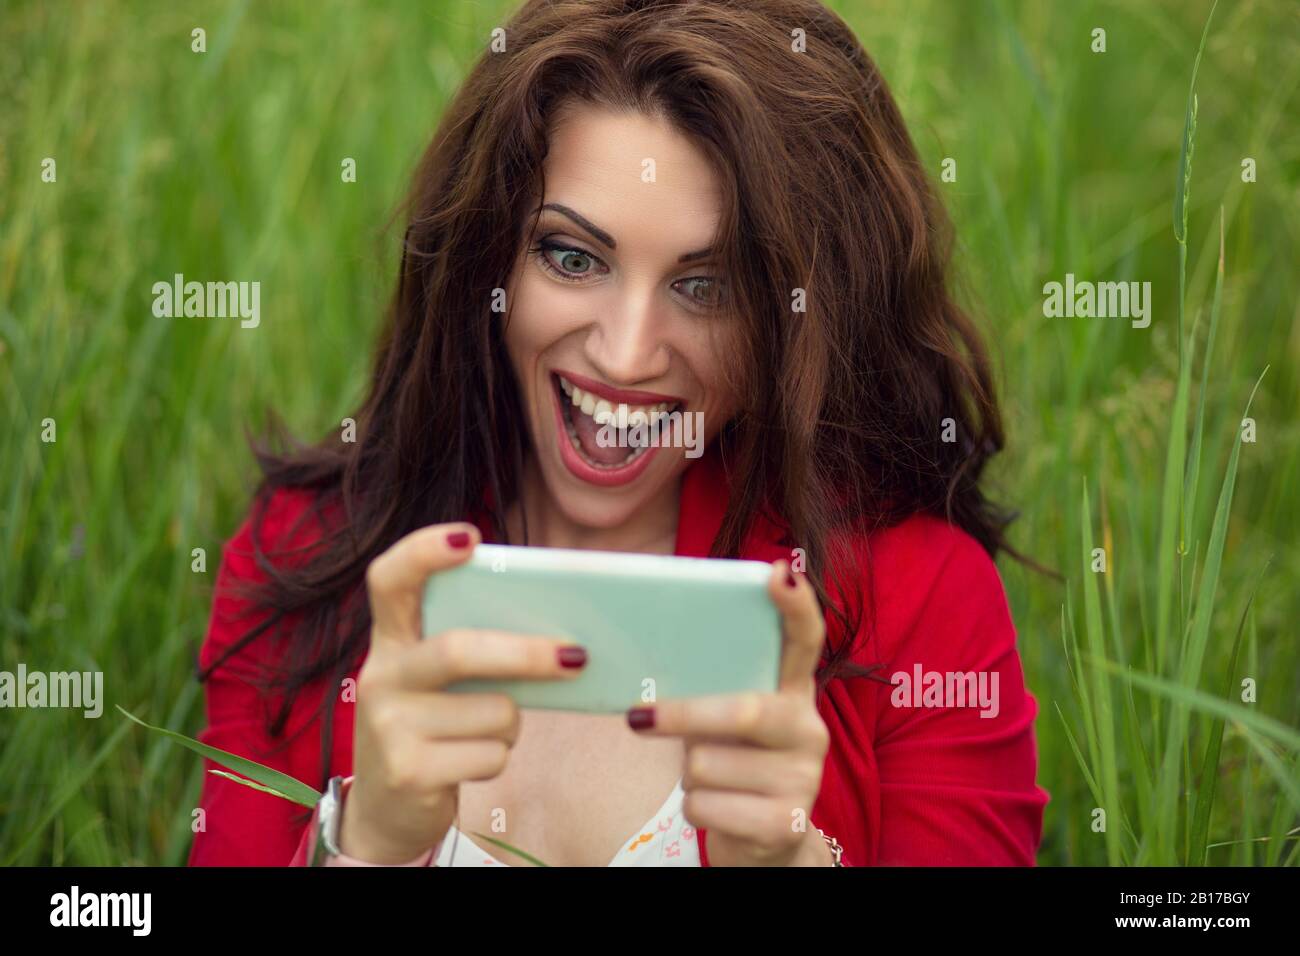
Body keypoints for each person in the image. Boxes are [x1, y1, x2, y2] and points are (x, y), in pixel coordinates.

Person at [188, 0, 1049, 868]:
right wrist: (364, 847)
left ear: (795, 322)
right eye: (572, 257)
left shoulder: (923, 597)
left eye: (706, 287)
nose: (626, 354)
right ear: (488, 258)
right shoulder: (303, 553)